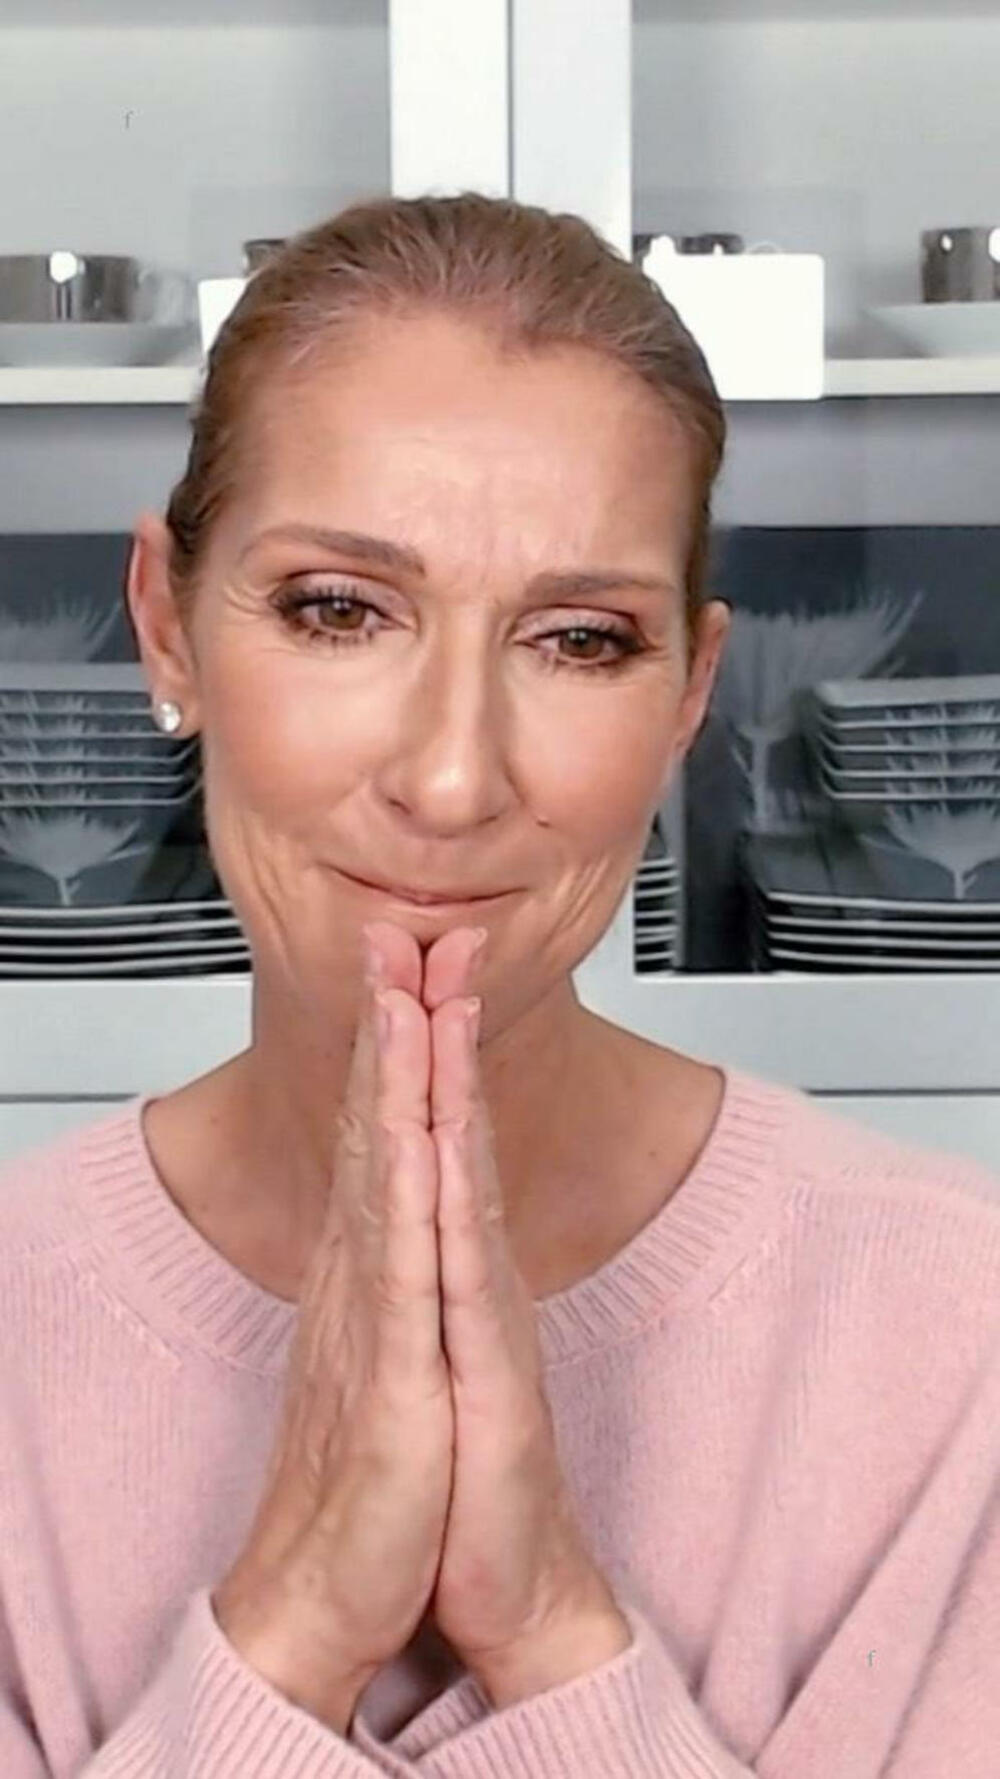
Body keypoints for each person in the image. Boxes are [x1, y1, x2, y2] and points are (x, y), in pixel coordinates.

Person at [0, 192, 998, 1779]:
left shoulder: (964, 1343)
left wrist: (550, 1635)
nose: (454, 779)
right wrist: (293, 1624)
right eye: (339, 610)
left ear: (690, 692)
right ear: (166, 626)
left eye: (580, 640)